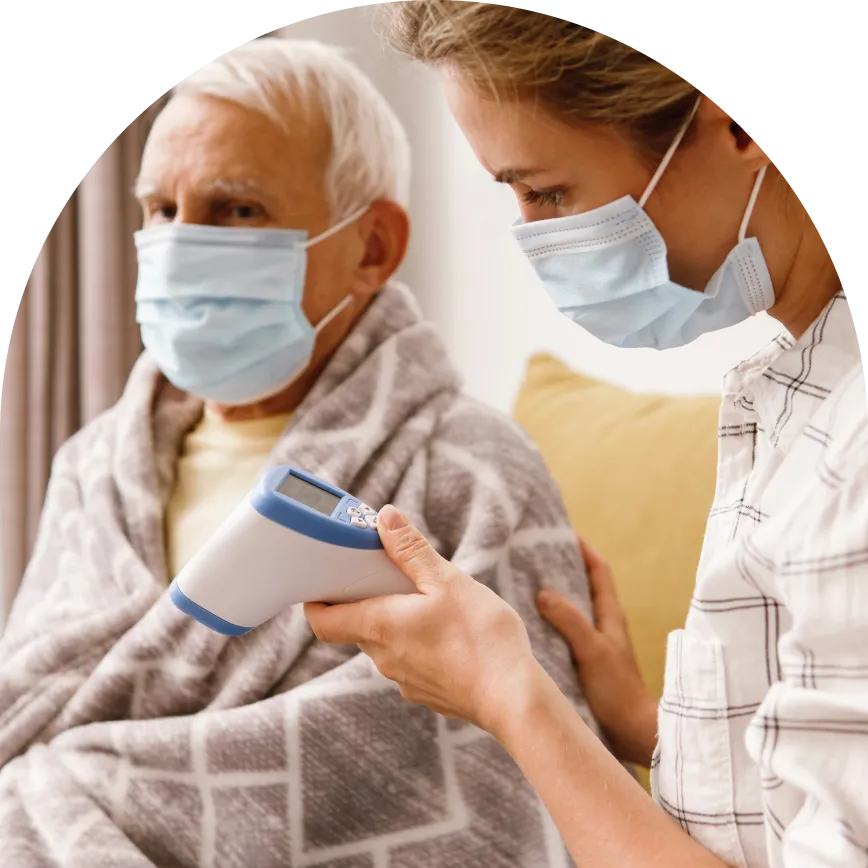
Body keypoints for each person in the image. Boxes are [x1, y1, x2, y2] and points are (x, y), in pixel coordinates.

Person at [0, 37, 606, 868]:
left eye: (236, 210)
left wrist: (86, 786)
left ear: (372, 249)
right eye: (161, 210)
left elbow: (514, 799)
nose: (179, 244)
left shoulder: (475, 471)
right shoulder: (91, 471)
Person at [305, 4, 868, 868]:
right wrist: (650, 722)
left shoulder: (853, 444)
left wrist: (513, 698)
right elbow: (803, 783)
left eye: (549, 191)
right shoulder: (794, 380)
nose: (535, 238)